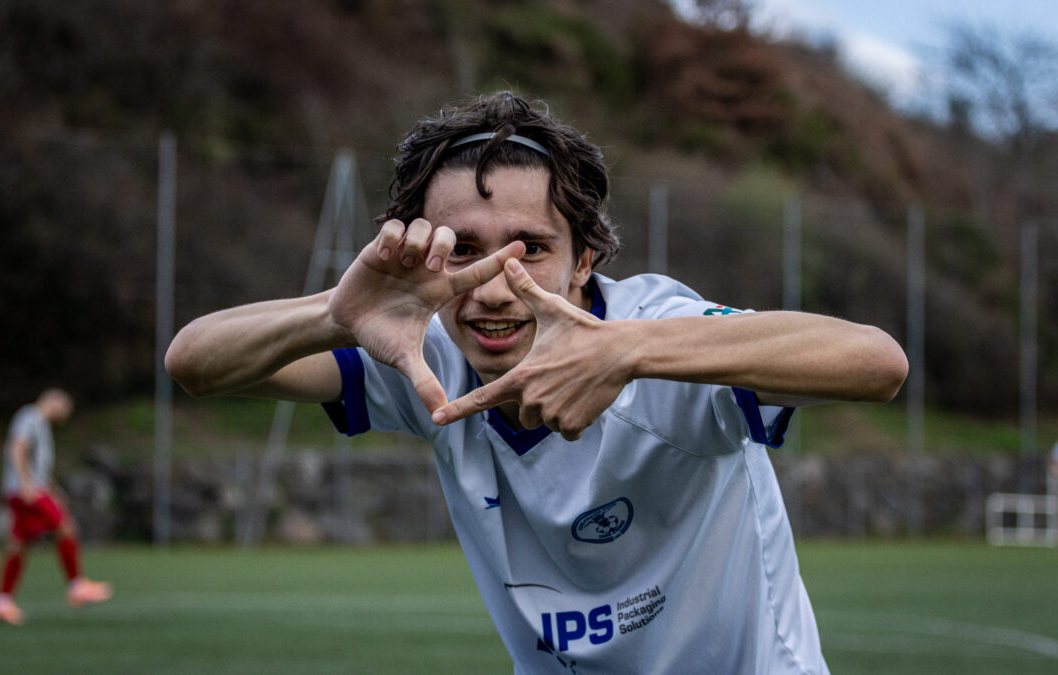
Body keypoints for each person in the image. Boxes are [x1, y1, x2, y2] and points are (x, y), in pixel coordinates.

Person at [165, 92, 908, 674]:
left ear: (585, 258)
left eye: (531, 249)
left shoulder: (661, 338)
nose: (492, 286)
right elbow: (196, 361)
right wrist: (334, 314)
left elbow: (877, 361)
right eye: (463, 250)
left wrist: (631, 352)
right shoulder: (424, 353)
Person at [0, 388, 112, 626]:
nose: (65, 414)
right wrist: (25, 484)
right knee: (65, 526)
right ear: (55, 400)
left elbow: (38, 469)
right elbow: (17, 447)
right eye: (65, 408)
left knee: (18, 545)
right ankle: (77, 585)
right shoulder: (30, 416)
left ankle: (1, 602)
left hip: (26, 489)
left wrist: (54, 491)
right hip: (26, 491)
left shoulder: (41, 424)